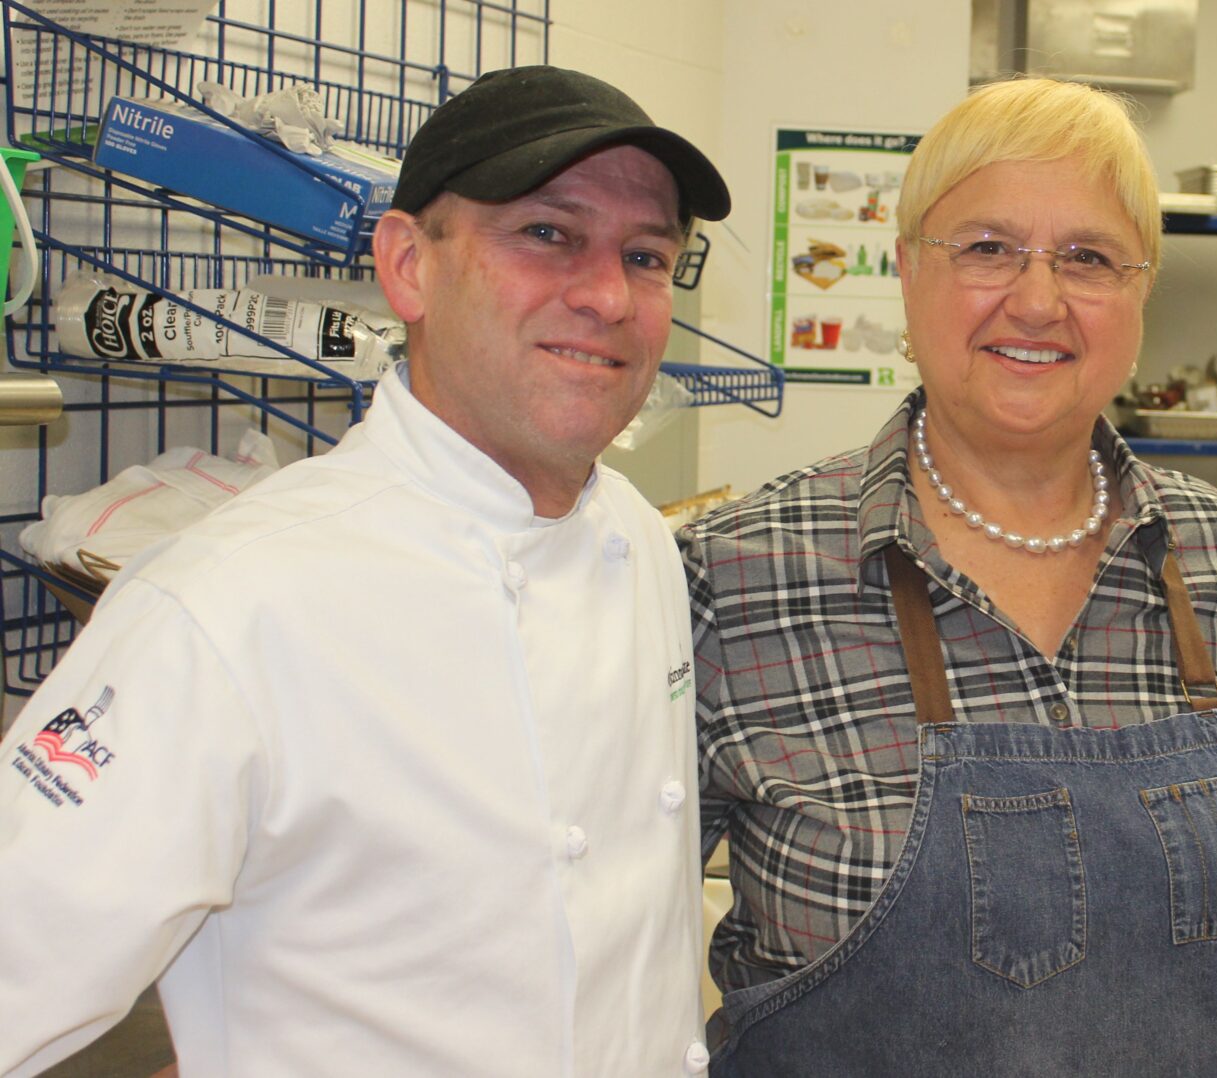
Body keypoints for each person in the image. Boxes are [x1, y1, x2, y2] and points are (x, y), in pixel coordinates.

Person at [0, 65, 730, 1075]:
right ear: (407, 266)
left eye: (645, 256)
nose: (606, 294)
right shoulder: (227, 605)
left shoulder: (641, 541)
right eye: (547, 234)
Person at [681, 77, 1217, 1076]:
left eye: (1089, 258)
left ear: (1141, 293)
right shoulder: (738, 575)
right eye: (987, 248)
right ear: (907, 268)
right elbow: (599, 943)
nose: (1038, 299)